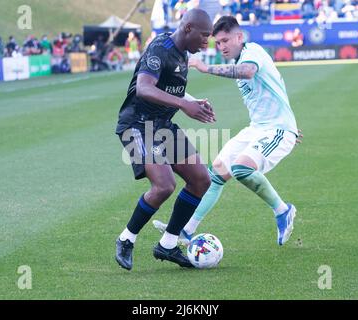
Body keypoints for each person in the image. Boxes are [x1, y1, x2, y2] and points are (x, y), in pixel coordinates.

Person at [154, 16, 302, 247]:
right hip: (259, 128)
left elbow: (248, 71)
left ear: (239, 37)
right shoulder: (241, 56)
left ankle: (283, 211)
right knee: (217, 173)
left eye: (225, 40)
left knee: (241, 168)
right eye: (218, 42)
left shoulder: (252, 52)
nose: (222, 46)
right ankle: (187, 230)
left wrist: (206, 68)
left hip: (276, 129)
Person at [115, 9, 215, 271]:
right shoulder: (161, 48)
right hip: (136, 125)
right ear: (189, 28)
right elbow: (144, 87)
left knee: (201, 179)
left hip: (162, 126)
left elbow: (169, 88)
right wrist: (183, 104)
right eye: (204, 36)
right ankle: (126, 239)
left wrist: (194, 103)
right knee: (164, 186)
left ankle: (168, 245)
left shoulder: (183, 52)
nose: (207, 42)